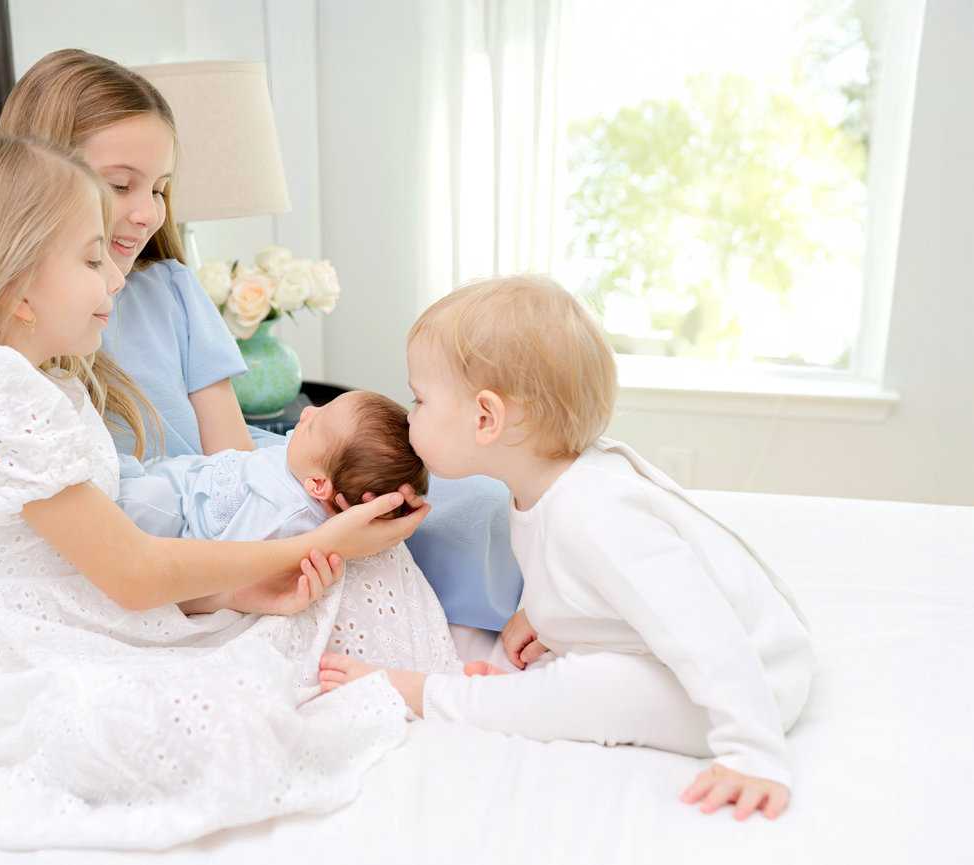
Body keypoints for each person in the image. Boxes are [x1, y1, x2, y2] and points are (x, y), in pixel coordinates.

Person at [0, 136, 445, 851]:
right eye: (92, 260)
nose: (117, 280)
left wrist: (235, 594)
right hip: (1, 664)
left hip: (71, 622)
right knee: (236, 715)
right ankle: (440, 691)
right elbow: (134, 571)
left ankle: (438, 686)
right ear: (17, 286)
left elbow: (83, 568)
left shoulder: (38, 381)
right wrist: (322, 539)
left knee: (347, 583)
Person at [0, 48, 525, 633]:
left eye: (161, 190)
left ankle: (567, 585)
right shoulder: (20, 344)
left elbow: (234, 454)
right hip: (187, 524)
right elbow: (119, 554)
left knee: (483, 495)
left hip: (253, 481)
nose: (148, 213)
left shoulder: (169, 286)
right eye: (121, 185)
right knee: (423, 532)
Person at [319, 275, 817, 822]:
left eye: (420, 399)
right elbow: (573, 573)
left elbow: (702, 629)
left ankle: (426, 694)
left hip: (755, 682)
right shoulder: (546, 484)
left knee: (590, 690)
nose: (410, 414)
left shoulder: (594, 513)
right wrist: (540, 612)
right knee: (581, 669)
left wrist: (754, 752)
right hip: (726, 662)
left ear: (486, 418)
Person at [120, 389, 427, 541]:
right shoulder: (307, 463)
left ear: (318, 485)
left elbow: (231, 554)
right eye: (321, 407)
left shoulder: (281, 514)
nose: (306, 411)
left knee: (138, 499)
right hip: (191, 475)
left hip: (181, 513)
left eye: (312, 425)